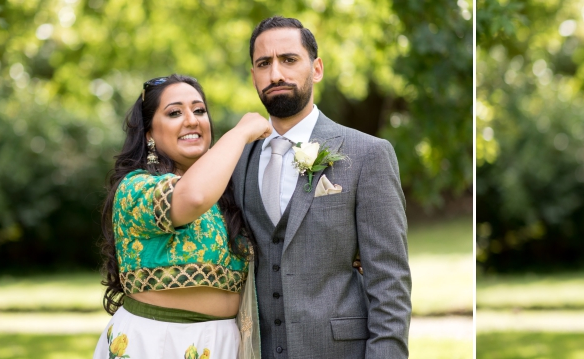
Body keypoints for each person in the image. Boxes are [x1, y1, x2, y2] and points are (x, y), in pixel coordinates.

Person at [230, 16, 411, 358]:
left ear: (316, 69)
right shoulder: (236, 159)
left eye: (289, 59)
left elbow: (390, 283)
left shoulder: (367, 154)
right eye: (263, 63)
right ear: (253, 74)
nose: (276, 74)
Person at [94, 74, 271, 359]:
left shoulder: (228, 194)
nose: (192, 120)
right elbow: (192, 197)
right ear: (149, 134)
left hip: (224, 343)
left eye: (199, 110)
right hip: (156, 343)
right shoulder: (135, 189)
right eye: (175, 112)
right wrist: (239, 133)